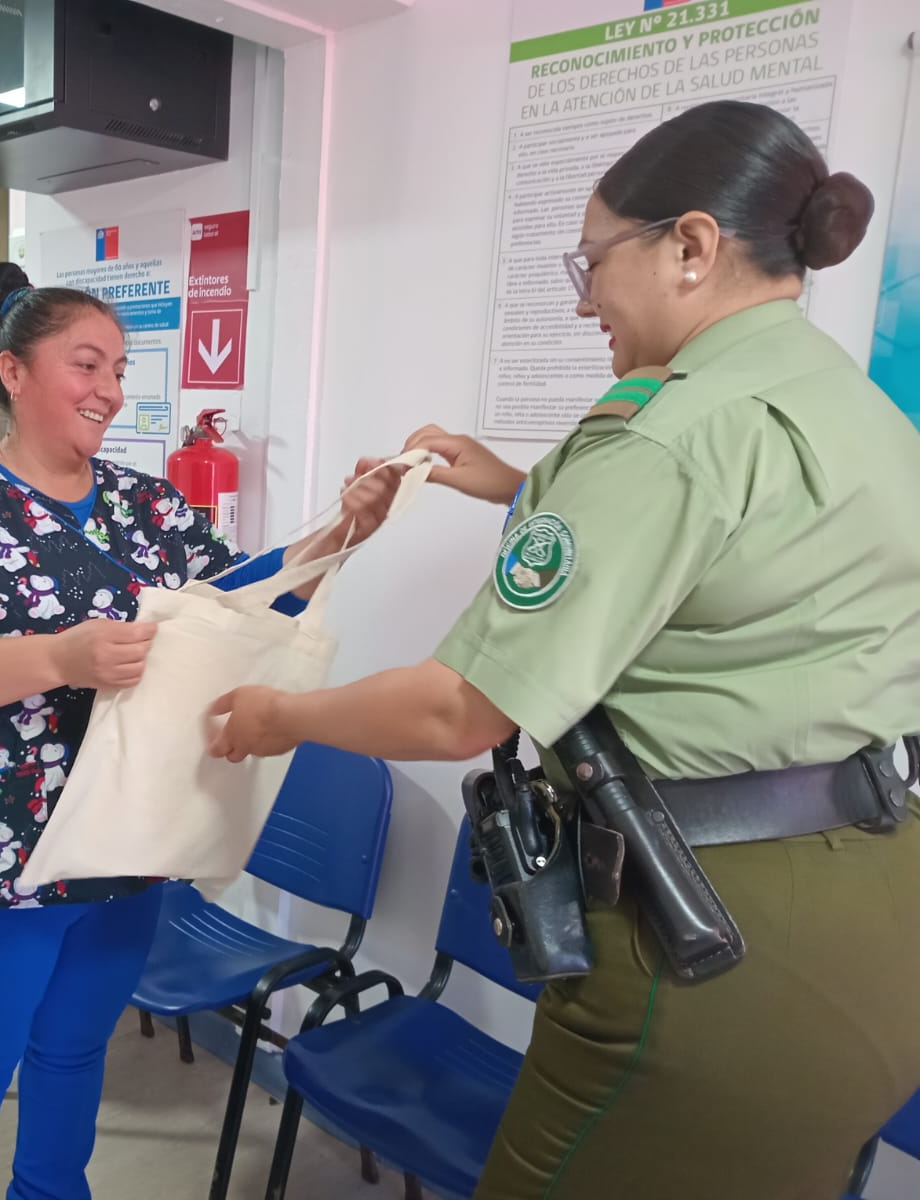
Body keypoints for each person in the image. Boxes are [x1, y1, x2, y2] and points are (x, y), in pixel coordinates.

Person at [211, 99, 920, 1199]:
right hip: (872, 908)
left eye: (593, 263)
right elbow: (727, 564)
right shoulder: (853, 408)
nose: (586, 300)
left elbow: (457, 710)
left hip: (707, 932)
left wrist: (278, 717)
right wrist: (510, 481)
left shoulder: (667, 434)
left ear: (690, 246)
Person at [0, 261, 401, 1200]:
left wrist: (343, 531)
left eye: (118, 369)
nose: (110, 391)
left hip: (122, 844)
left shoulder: (146, 507)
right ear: (13, 372)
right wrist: (58, 658)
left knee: (74, 1054)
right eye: (86, 365)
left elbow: (243, 601)